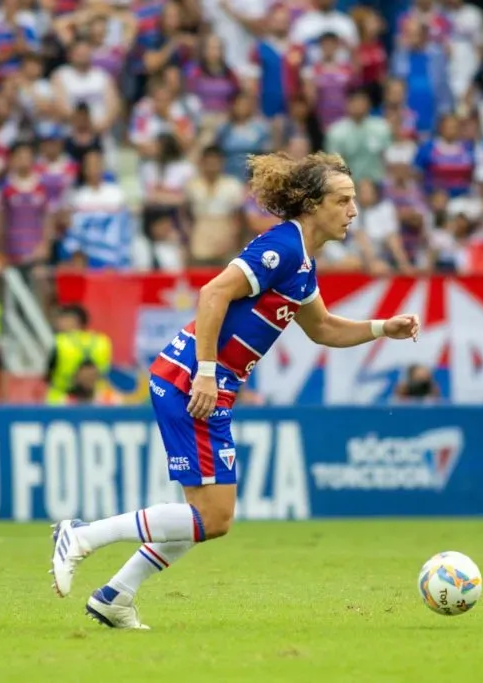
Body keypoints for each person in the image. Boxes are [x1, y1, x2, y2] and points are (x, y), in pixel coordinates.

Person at [50, 151, 420, 629]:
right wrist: (205, 370)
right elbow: (213, 293)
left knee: (205, 516)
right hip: (193, 379)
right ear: (311, 204)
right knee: (214, 518)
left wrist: (380, 328)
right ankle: (81, 537)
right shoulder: (283, 247)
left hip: (207, 383)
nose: (353, 210)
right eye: (343, 200)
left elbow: (324, 328)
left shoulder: (303, 263)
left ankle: (114, 595)